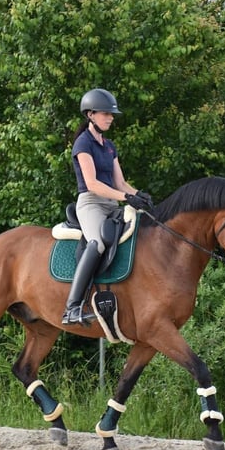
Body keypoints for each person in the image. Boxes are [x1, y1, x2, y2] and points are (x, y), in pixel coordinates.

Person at [61, 88, 154, 325]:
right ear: (91, 115)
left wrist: (139, 195)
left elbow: (120, 182)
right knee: (98, 243)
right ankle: (72, 308)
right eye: (106, 114)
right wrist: (125, 196)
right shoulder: (83, 144)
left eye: (112, 114)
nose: (111, 118)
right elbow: (92, 184)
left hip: (112, 202)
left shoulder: (109, 146)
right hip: (91, 203)